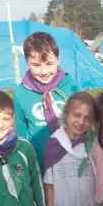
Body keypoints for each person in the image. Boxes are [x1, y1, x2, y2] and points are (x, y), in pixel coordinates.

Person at [42, 92, 103, 206]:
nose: (81, 122)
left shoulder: (92, 142)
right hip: (64, 205)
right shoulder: (53, 143)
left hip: (88, 205)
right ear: (67, 115)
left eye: (87, 118)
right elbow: (49, 180)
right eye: (77, 115)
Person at [14, 32, 80, 173]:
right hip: (39, 166)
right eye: (36, 65)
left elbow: (87, 125)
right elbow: (20, 134)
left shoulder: (71, 88)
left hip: (72, 163)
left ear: (58, 59)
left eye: (49, 64)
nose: (44, 71)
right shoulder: (21, 93)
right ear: (26, 61)